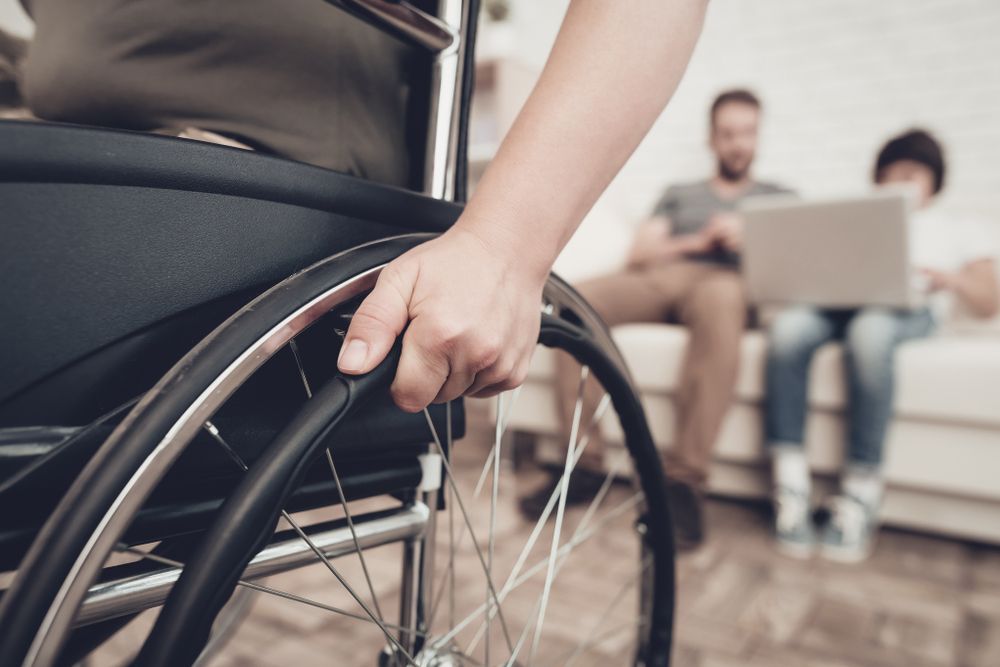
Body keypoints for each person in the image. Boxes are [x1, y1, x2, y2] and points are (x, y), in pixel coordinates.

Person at [515, 89, 792, 550]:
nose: (737, 143)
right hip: (668, 274)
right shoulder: (680, 195)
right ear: (712, 138)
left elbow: (792, 265)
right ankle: (583, 464)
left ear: (758, 136)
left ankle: (683, 481)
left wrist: (749, 236)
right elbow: (642, 253)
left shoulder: (778, 198)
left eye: (746, 132)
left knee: (723, 302)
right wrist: (698, 242)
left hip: (728, 283)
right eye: (728, 133)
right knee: (576, 301)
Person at [764, 129, 999, 562]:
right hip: (845, 301)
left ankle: (861, 491)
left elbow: (989, 301)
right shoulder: (859, 219)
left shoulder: (956, 228)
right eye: (892, 176)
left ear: (934, 181)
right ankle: (790, 481)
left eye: (913, 175)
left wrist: (948, 278)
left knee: (869, 332)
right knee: (789, 328)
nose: (902, 184)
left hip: (907, 309)